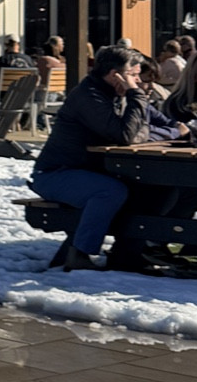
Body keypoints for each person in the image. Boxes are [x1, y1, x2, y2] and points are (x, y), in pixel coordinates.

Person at [29, 45, 151, 271]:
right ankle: (80, 254)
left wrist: (133, 118)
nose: (137, 80)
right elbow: (126, 135)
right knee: (110, 192)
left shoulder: (115, 95)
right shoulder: (89, 96)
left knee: (151, 189)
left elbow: (142, 130)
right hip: (57, 173)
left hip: (87, 171)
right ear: (116, 74)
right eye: (133, 75)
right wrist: (135, 95)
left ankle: (128, 252)